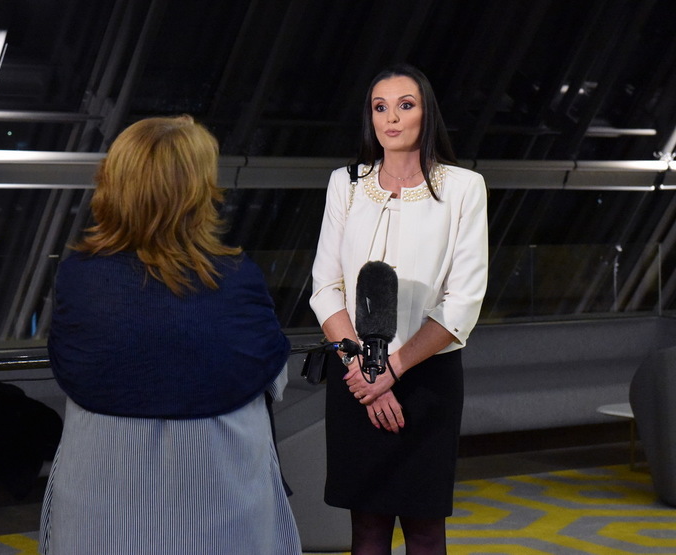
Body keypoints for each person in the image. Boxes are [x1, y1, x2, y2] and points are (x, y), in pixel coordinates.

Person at [39, 115, 301, 555]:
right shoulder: (237, 278)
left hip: (98, 509)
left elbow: (73, 368)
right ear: (197, 191)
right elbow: (270, 378)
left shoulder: (79, 279)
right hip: (221, 505)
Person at [310, 63, 488, 554]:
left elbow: (463, 301)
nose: (391, 118)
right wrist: (364, 373)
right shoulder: (345, 183)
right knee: (366, 528)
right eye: (380, 107)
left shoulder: (463, 187)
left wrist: (391, 369)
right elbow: (325, 288)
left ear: (426, 114)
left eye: (405, 105)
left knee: (425, 530)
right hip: (354, 377)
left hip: (427, 378)